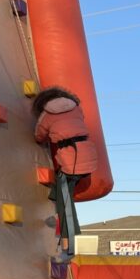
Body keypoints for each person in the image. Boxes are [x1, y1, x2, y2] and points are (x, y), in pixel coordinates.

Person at [33, 86, 97, 261]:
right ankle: (56, 216)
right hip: (87, 155)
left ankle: (68, 249)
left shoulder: (46, 114)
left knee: (65, 204)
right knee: (60, 192)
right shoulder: (76, 107)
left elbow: (39, 135)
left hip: (71, 159)